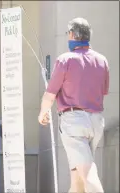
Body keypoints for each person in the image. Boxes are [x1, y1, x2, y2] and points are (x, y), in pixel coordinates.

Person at [38, 18, 109, 193]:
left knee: (88, 174)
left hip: (74, 122)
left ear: (71, 35)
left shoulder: (65, 60)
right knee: (77, 181)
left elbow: (50, 93)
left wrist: (42, 113)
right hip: (96, 121)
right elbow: (104, 91)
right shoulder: (102, 60)